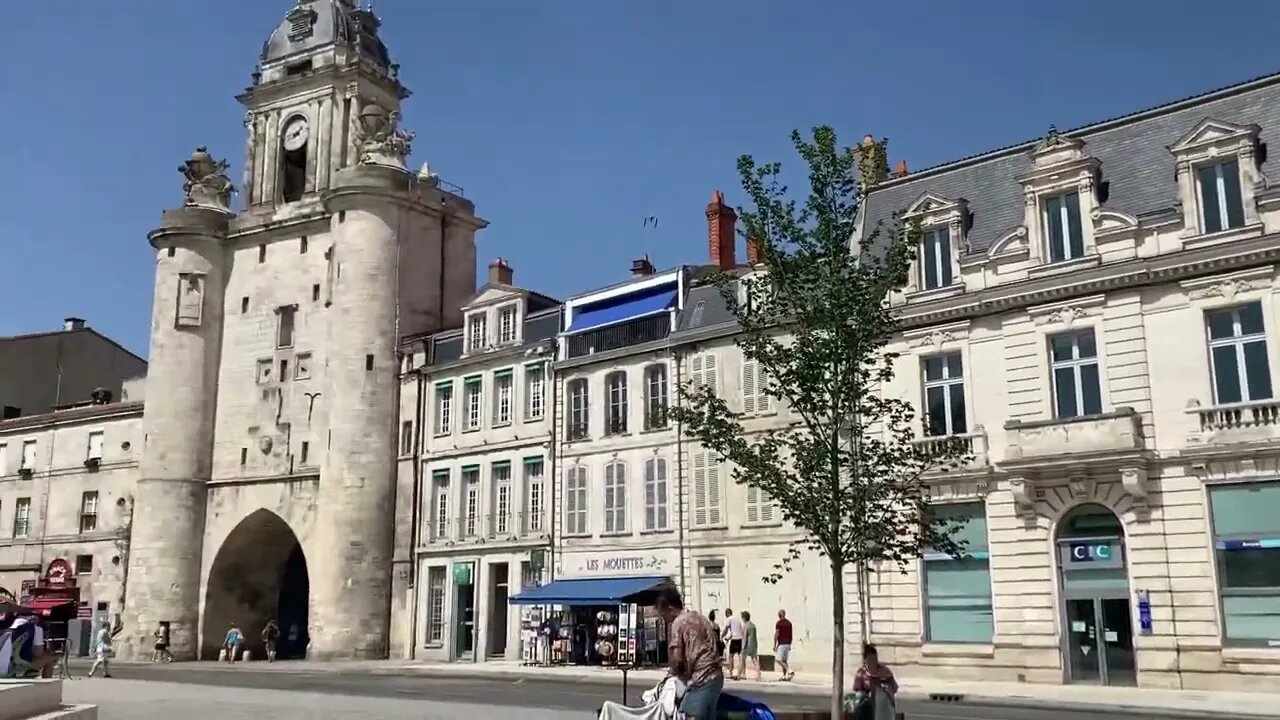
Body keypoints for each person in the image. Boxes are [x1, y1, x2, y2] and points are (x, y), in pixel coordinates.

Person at [656, 588, 723, 720]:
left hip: (700, 679)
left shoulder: (678, 623)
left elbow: (677, 659)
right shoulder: (699, 617)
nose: (664, 620)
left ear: (669, 608)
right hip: (716, 676)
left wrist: (673, 674)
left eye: (663, 615)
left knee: (691, 716)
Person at [852, 643, 898, 720]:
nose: (873, 662)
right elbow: (858, 692)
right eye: (870, 659)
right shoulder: (861, 673)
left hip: (883, 708)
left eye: (875, 659)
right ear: (865, 660)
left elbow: (894, 688)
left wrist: (886, 689)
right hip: (866, 710)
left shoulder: (885, 671)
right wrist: (866, 695)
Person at [722, 609, 744, 680]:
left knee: (731, 656)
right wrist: (728, 638)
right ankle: (739, 674)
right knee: (740, 657)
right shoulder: (738, 620)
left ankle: (731, 674)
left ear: (727, 614)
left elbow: (726, 629)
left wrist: (722, 636)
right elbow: (737, 631)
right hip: (740, 639)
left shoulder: (729, 619)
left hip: (734, 640)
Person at [773, 609, 794, 681]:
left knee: (778, 660)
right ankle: (785, 676)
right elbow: (791, 634)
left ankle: (789, 670)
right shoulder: (789, 623)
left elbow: (777, 634)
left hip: (782, 643)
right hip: (788, 643)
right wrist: (790, 643)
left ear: (779, 615)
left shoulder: (779, 623)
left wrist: (774, 645)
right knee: (784, 660)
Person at [740, 611, 760, 681]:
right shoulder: (753, 625)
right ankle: (758, 674)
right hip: (754, 644)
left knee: (743, 660)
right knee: (755, 660)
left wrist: (743, 646)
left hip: (747, 645)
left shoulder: (746, 626)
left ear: (744, 618)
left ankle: (743, 674)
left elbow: (745, 637)